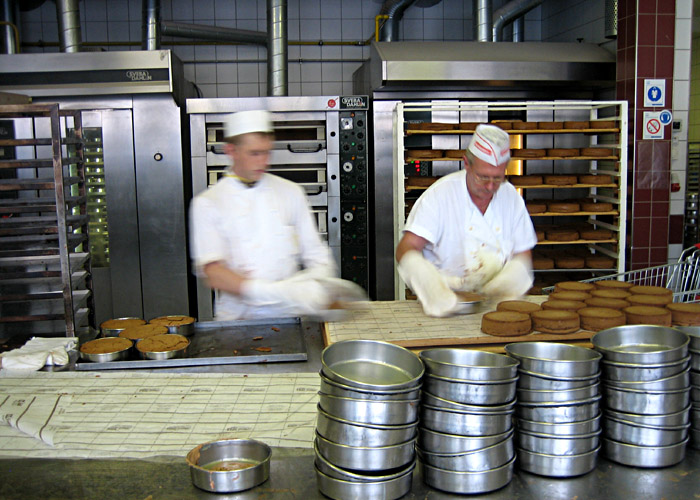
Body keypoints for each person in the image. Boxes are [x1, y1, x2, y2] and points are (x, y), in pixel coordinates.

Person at [189, 110, 362, 320]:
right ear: (231, 151)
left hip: (291, 317)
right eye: (254, 153)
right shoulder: (208, 203)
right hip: (238, 322)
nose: (264, 162)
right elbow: (215, 274)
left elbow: (316, 254)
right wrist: (277, 292)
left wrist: (318, 283)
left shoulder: (290, 192)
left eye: (267, 152)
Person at [396, 123, 537, 317]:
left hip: (494, 307)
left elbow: (523, 252)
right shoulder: (441, 195)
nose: (490, 187)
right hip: (444, 307)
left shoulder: (511, 198)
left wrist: (509, 281)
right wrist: (429, 283)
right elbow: (406, 247)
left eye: (497, 178)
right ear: (466, 163)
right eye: (483, 177)